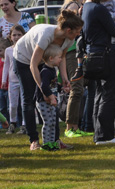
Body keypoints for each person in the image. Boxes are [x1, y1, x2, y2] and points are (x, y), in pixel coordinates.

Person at [14, 10, 83, 150]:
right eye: (77, 31)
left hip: (40, 61)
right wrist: (43, 90)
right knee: (29, 99)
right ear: (68, 30)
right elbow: (33, 64)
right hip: (23, 60)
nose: (79, 34)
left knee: (53, 100)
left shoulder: (69, 39)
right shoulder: (45, 35)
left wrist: (64, 78)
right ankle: (33, 140)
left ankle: (55, 140)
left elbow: (62, 57)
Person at [81, 0, 115, 145]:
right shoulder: (99, 9)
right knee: (110, 93)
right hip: (107, 53)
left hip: (93, 54)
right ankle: (106, 135)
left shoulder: (86, 6)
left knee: (100, 93)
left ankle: (99, 134)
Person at [62, 0, 92, 138]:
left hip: (76, 50)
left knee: (79, 88)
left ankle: (74, 125)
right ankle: (70, 127)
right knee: (77, 88)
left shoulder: (75, 4)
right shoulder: (73, 6)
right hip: (72, 51)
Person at [35, 44, 64, 151]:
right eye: (59, 57)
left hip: (51, 100)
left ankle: (52, 142)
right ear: (51, 58)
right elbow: (44, 87)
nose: (61, 59)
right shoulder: (46, 71)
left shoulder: (52, 69)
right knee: (48, 122)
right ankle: (47, 143)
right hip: (43, 101)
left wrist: (61, 88)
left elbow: (53, 85)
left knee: (52, 122)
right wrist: (51, 97)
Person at [2, 25, 25, 134]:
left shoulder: (26, 48)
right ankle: (13, 123)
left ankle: (24, 125)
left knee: (24, 104)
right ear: (10, 37)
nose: (16, 37)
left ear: (23, 36)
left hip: (24, 80)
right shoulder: (8, 50)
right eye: (14, 35)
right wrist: (3, 80)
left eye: (19, 35)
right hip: (12, 81)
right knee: (12, 104)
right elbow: (6, 66)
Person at [0, 38, 10, 124]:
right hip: (1, 88)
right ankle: (3, 123)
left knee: (9, 107)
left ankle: (12, 123)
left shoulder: (8, 61)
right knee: (2, 107)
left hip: (9, 87)